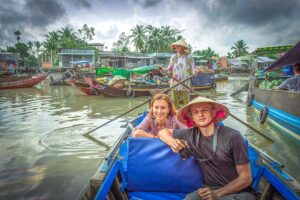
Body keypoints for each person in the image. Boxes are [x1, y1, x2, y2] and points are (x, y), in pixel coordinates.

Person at [158, 96, 254, 200]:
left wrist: (217, 194)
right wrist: (172, 142)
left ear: (213, 113)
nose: (200, 114)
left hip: (239, 192)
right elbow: (163, 132)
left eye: (205, 110)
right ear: (191, 117)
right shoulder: (190, 134)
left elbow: (246, 178)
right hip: (208, 190)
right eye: (196, 112)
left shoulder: (233, 137)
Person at [168, 39, 195, 109]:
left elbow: (193, 69)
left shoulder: (189, 57)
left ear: (183, 48)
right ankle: (176, 115)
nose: (177, 48)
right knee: (174, 102)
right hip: (175, 82)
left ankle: (186, 115)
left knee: (186, 102)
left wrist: (196, 72)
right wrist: (162, 69)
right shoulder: (173, 57)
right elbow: (169, 69)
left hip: (185, 82)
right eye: (176, 46)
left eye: (179, 46)